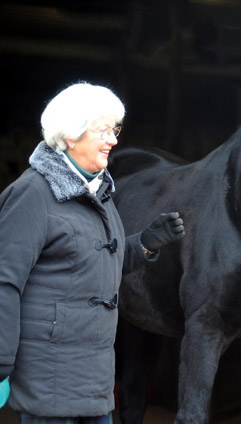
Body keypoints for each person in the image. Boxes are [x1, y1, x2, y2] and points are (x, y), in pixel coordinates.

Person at [0, 82, 186, 423]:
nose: (114, 140)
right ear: (70, 135)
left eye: (115, 129)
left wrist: (144, 242)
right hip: (50, 383)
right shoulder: (32, 194)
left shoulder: (99, 196)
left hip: (95, 384)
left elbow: (99, 262)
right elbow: (4, 281)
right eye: (103, 129)